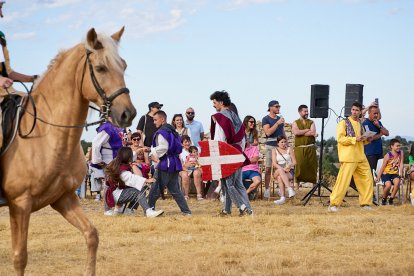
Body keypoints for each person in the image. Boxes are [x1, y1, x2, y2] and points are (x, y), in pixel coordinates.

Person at [210, 91, 253, 216]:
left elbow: (219, 139)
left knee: (229, 184)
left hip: (226, 152)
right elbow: (243, 139)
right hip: (238, 151)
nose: (213, 105)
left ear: (221, 102)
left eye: (214, 102)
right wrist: (239, 151)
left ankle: (244, 208)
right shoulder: (236, 118)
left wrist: (217, 156)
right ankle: (227, 210)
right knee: (235, 184)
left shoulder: (220, 117)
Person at [328, 102, 373, 212]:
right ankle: (333, 204)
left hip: (361, 156)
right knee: (343, 181)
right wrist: (354, 139)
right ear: (350, 110)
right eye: (353, 110)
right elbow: (340, 139)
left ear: (360, 111)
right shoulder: (343, 123)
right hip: (349, 157)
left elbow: (362, 140)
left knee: (367, 179)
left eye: (357, 110)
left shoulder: (360, 124)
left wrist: (367, 139)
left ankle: (365, 203)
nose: (355, 112)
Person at [147, 110, 192, 216]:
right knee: (175, 189)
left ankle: (149, 210)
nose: (154, 122)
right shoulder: (173, 131)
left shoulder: (162, 132)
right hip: (174, 162)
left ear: (162, 119)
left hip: (166, 163)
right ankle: (186, 211)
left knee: (155, 188)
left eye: (155, 119)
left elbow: (163, 148)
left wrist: (151, 151)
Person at [104, 147, 164, 217]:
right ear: (128, 157)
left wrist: (139, 150)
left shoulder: (118, 164)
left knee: (141, 188)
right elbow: (132, 178)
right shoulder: (123, 170)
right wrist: (146, 180)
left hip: (116, 193)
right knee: (137, 191)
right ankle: (148, 212)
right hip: (116, 195)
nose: (133, 158)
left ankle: (124, 210)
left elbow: (133, 155)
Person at [90, 117, 123, 203]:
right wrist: (97, 159)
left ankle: (113, 203)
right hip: (108, 157)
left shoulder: (115, 127)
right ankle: (108, 206)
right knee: (110, 182)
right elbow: (96, 143)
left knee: (114, 182)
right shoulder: (107, 127)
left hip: (115, 156)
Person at [262, 100, 285, 199]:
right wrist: (277, 123)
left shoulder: (280, 119)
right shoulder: (266, 119)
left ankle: (281, 190)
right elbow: (268, 133)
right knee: (268, 168)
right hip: (270, 147)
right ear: (270, 107)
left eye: (279, 106)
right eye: (276, 106)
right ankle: (267, 189)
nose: (278, 108)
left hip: (280, 147)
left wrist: (286, 143)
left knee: (281, 168)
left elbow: (283, 132)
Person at [291, 105, 318, 185]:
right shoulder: (295, 122)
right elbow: (296, 132)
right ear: (300, 112)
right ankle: (297, 186)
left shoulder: (311, 122)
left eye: (307, 111)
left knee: (312, 166)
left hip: (310, 147)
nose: (307, 113)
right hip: (299, 148)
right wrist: (306, 130)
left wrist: (301, 132)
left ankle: (314, 184)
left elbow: (312, 132)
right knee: (299, 166)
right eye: (305, 111)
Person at [375, 139, 403, 205]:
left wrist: (401, 173)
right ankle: (384, 199)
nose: (399, 147)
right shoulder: (388, 155)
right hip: (386, 174)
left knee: (397, 183)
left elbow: (401, 163)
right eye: (397, 146)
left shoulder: (401, 153)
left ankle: (391, 199)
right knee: (388, 185)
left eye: (399, 146)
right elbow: (383, 166)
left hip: (394, 174)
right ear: (392, 146)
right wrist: (378, 176)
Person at [362, 105, 389, 173]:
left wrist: (379, 126)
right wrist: (380, 133)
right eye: (374, 113)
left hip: (379, 152)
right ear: (369, 113)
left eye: (377, 113)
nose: (376, 115)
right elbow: (369, 139)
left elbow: (387, 133)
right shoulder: (365, 123)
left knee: (379, 173)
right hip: (370, 153)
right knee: (371, 174)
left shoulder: (378, 122)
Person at [272, 135, 297, 204]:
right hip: (278, 170)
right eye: (282, 142)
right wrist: (283, 169)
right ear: (278, 143)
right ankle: (289, 189)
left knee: (280, 177)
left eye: (285, 142)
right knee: (280, 171)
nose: (284, 144)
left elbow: (294, 162)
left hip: (288, 170)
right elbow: (274, 163)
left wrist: (289, 165)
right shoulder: (274, 150)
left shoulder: (289, 149)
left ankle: (282, 198)